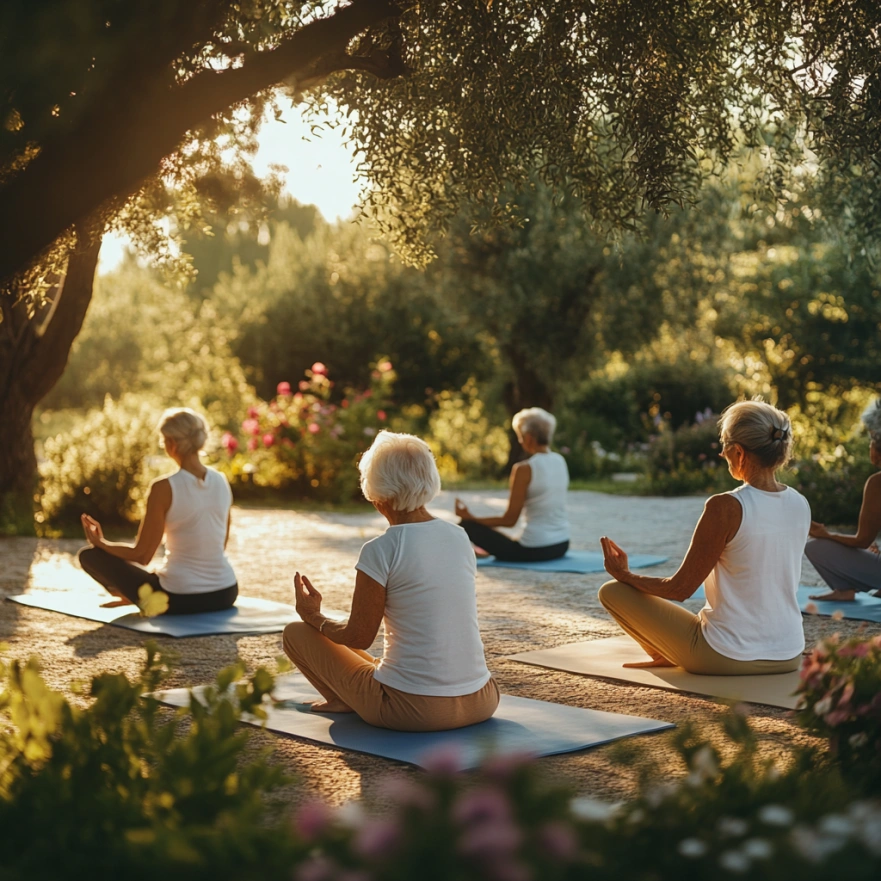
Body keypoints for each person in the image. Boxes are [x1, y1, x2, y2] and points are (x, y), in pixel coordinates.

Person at [284, 430, 499, 731]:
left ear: (377, 491)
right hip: (483, 699)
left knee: (296, 632)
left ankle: (342, 699)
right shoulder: (459, 536)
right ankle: (350, 695)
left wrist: (315, 617)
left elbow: (359, 636)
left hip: (413, 709)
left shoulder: (381, 549)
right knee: (368, 657)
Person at [598, 400, 809, 675]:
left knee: (611, 591)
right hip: (789, 654)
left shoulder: (725, 507)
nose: (722, 454)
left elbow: (680, 589)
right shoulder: (800, 503)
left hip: (724, 657)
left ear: (739, 453)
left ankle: (664, 652)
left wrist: (624, 575)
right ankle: (668, 650)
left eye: (724, 446)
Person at [78, 408, 238, 615]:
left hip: (176, 599)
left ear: (171, 443)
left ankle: (131, 596)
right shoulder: (221, 480)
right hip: (225, 593)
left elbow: (142, 555)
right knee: (157, 574)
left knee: (90, 556)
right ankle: (136, 594)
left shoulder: (163, 488)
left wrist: (101, 543)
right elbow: (220, 543)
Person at [455, 407, 570, 562]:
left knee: (467, 525)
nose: (521, 442)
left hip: (534, 550)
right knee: (504, 535)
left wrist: (472, 518)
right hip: (561, 545)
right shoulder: (560, 461)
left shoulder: (524, 469)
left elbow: (509, 520)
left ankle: (477, 550)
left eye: (520, 437)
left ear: (528, 438)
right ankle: (480, 550)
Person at [805, 398, 881, 601]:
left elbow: (861, 541)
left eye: (871, 440)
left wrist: (826, 534)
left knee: (814, 546)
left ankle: (844, 590)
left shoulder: (877, 483)